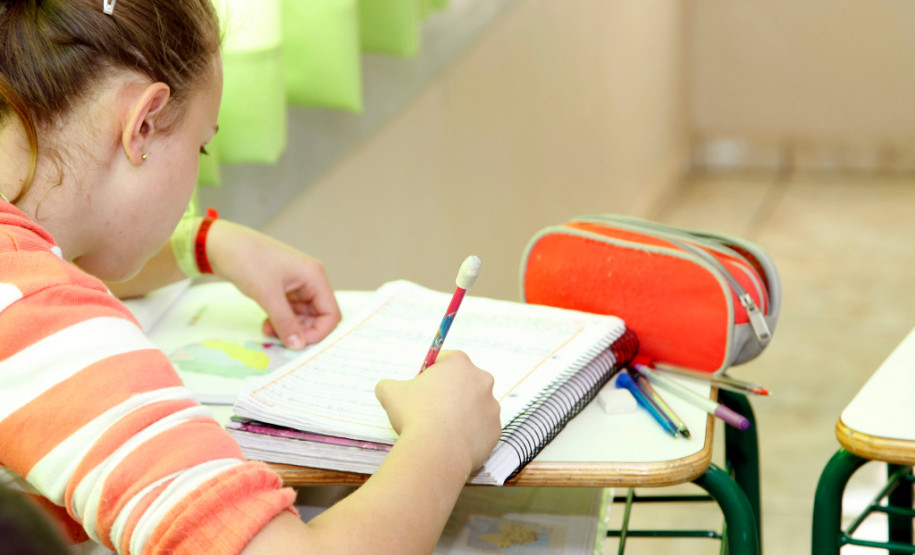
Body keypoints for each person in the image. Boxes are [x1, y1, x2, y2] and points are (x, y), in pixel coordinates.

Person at [0, 1, 502, 554]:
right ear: (142, 124)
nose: (199, 160)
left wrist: (202, 244)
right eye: (201, 143)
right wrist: (444, 437)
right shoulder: (31, 315)